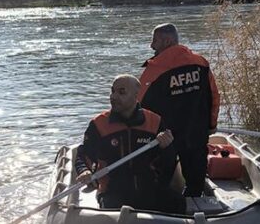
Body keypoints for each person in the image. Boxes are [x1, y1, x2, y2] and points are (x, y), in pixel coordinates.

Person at [75, 74, 185, 213]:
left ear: (135, 95)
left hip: (148, 187)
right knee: (113, 212)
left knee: (178, 203)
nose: (113, 97)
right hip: (113, 190)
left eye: (121, 92)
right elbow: (83, 154)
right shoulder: (99, 124)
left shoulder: (154, 121)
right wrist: (84, 170)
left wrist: (166, 147)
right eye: (112, 91)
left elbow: (168, 163)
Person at [138, 23, 220, 197]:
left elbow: (138, 107)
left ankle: (160, 204)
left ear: (167, 41)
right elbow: (213, 95)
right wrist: (212, 124)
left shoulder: (154, 71)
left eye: (155, 41)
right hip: (197, 132)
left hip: (166, 137)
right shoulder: (201, 63)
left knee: (160, 177)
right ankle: (194, 200)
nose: (152, 46)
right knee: (195, 176)